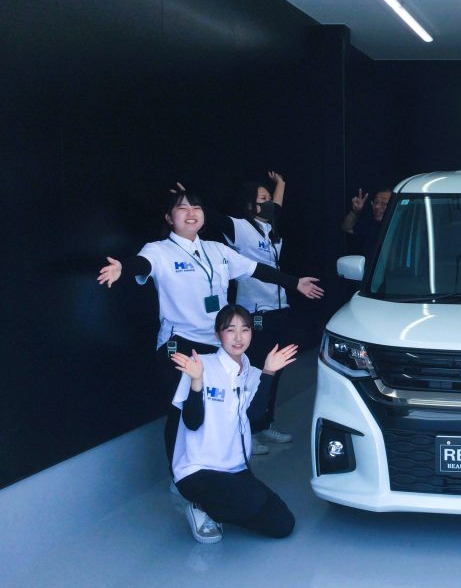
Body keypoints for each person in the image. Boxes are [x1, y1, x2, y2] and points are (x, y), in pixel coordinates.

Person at [96, 189, 324, 468]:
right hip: (180, 344)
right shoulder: (159, 250)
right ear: (169, 217)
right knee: (183, 412)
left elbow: (256, 269)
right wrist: (123, 268)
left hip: (218, 345)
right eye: (182, 208)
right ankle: (181, 480)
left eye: (196, 208)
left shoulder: (217, 250)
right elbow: (143, 264)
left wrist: (294, 282)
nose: (191, 213)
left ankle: (216, 469)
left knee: (218, 410)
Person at [170, 305, 297, 543]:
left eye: (245, 329)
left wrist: (269, 373)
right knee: (251, 500)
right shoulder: (200, 365)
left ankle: (216, 508)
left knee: (283, 524)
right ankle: (200, 507)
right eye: (230, 330)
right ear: (218, 334)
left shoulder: (253, 373)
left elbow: (255, 416)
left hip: (235, 469)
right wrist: (196, 382)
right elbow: (192, 422)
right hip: (198, 470)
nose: (238, 337)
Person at [197, 172, 297, 454]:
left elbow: (277, 209)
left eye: (269, 199)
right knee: (252, 371)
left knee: (273, 371)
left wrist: (281, 184)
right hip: (256, 312)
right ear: (250, 205)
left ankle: (264, 424)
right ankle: (246, 430)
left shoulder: (269, 228)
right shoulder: (240, 227)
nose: (269, 203)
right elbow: (214, 218)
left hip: (279, 308)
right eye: (263, 199)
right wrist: (190, 205)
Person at [341, 187, 392, 255]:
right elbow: (347, 228)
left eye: (383, 203)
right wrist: (355, 211)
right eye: (375, 202)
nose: (377, 206)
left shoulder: (401, 227)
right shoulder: (371, 225)